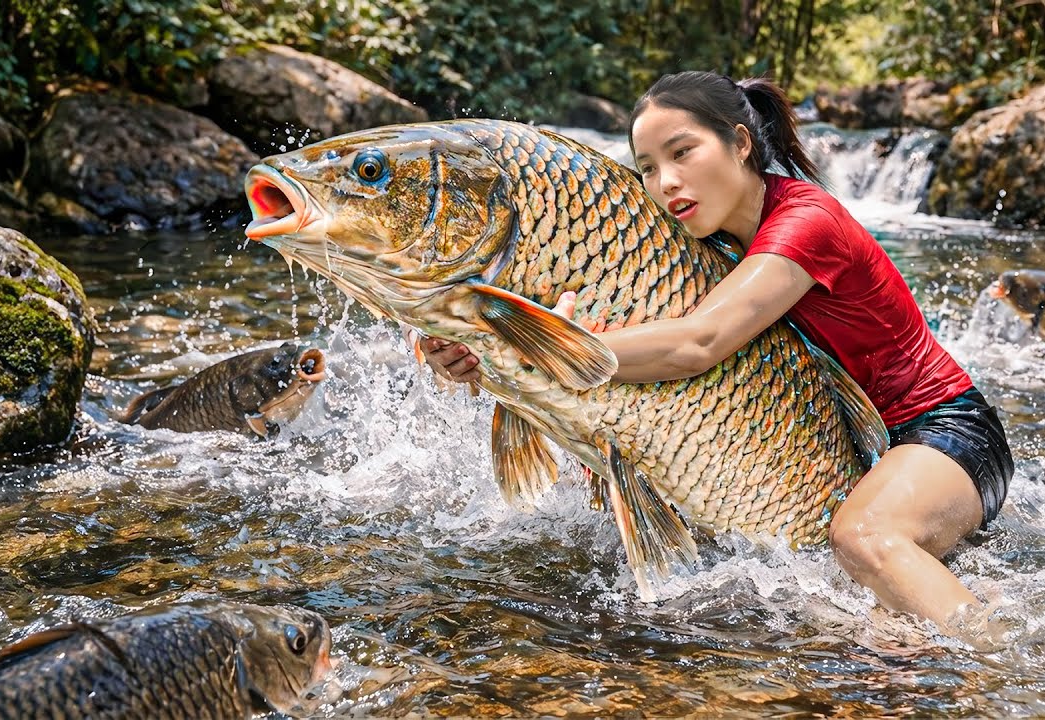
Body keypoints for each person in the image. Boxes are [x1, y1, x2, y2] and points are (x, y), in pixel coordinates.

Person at [418, 70, 1014, 639]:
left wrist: (533, 345)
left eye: (682, 153)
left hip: (944, 432)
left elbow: (697, 343)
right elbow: (619, 333)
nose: (665, 183)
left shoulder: (807, 221)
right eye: (647, 168)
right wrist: (474, 352)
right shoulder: (707, 240)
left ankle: (1002, 665)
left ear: (739, 143)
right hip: (840, 451)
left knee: (863, 536)